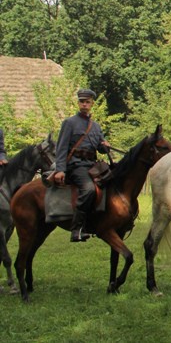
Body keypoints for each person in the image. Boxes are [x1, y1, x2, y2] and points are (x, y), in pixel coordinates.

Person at [53, 89, 110, 242]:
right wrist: (60, 170)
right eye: (82, 102)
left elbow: (100, 148)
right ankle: (76, 229)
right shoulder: (69, 123)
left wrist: (105, 146)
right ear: (78, 103)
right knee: (89, 189)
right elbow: (61, 147)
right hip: (75, 166)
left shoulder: (96, 127)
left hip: (92, 166)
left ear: (92, 104)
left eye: (88, 102)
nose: (85, 104)